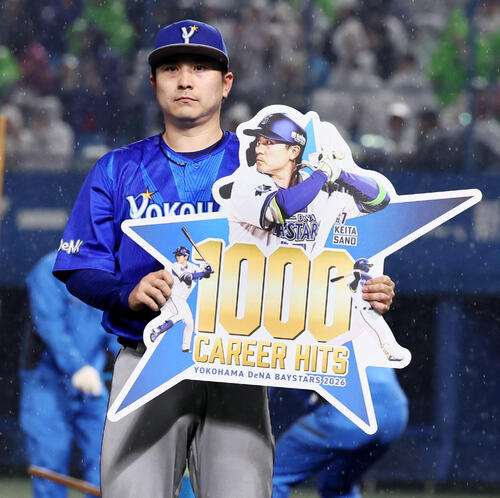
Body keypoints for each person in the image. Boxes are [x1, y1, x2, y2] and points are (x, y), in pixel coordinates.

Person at [53, 19, 396, 497]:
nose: (185, 80)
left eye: (201, 68)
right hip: (147, 359)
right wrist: (124, 293)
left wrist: (363, 290)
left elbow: (330, 244)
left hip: (239, 365)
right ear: (153, 83)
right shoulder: (116, 169)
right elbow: (80, 266)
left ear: (226, 82)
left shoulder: (263, 163)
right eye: (171, 69)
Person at [214, 111, 390, 256]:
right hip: (254, 287)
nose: (259, 149)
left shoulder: (318, 188)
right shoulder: (245, 183)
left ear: (294, 151)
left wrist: (340, 174)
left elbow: (380, 199)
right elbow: (280, 207)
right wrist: (322, 174)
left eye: (268, 143)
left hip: (304, 287)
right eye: (259, 142)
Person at [19, 251, 119, 498]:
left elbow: (116, 330)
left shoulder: (110, 271)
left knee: (106, 461)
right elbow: (49, 326)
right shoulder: (49, 269)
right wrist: (77, 367)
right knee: (50, 462)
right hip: (47, 383)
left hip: (93, 384)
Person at [272, 367, 408, 498]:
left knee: (272, 474)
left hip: (351, 412)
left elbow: (265, 378)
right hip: (395, 412)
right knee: (338, 488)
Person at [149, 245, 212, 350]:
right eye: (177, 255)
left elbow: (204, 275)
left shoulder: (192, 266)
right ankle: (157, 330)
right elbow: (188, 277)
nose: (177, 257)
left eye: (179, 255)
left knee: (190, 323)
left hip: (181, 299)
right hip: (172, 296)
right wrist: (204, 272)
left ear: (186, 256)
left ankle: (185, 347)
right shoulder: (176, 266)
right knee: (181, 314)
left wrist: (208, 269)